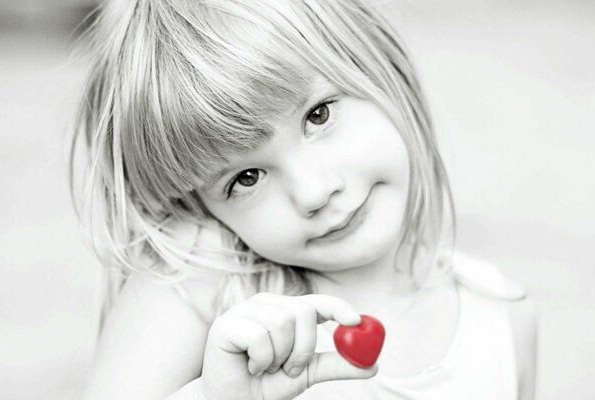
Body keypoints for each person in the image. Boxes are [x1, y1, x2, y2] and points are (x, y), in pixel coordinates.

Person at [72, 0, 537, 399]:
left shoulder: (502, 318)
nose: (313, 192)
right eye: (247, 178)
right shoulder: (202, 285)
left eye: (318, 115)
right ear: (199, 206)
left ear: (382, 64)